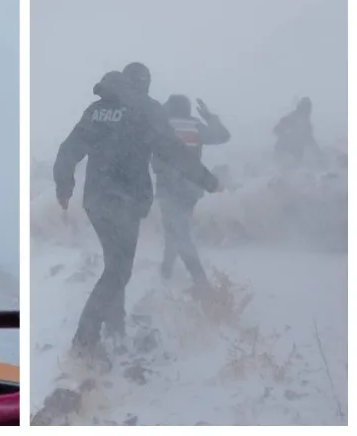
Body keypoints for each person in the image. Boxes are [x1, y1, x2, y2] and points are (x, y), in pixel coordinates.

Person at [53, 63, 220, 362]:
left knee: (114, 265)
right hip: (126, 202)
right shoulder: (146, 109)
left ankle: (116, 329)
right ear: (143, 84)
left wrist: (63, 185)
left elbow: (69, 149)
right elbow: (173, 150)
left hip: (95, 200)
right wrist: (206, 179)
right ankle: (84, 340)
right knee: (118, 270)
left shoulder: (97, 110)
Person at [151, 95, 230, 285]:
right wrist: (209, 117)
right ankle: (167, 268)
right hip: (192, 186)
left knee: (177, 229)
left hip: (167, 186)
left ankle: (199, 280)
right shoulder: (195, 126)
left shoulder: (162, 125)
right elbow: (223, 136)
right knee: (178, 226)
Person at [273, 96, 324, 169]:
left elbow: (311, 141)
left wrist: (319, 155)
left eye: (309, 108)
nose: (308, 110)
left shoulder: (307, 124)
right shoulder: (291, 118)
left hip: (296, 154)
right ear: (302, 107)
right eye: (306, 108)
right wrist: (287, 136)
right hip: (284, 152)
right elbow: (276, 130)